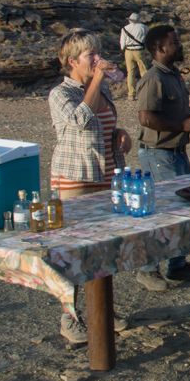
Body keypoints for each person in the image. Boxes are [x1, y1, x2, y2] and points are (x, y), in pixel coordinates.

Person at [48, 29, 133, 343]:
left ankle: (103, 311)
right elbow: (80, 122)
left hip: (106, 176)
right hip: (76, 179)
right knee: (73, 250)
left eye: (99, 54)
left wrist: (119, 132)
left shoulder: (103, 89)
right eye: (90, 56)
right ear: (72, 61)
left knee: (103, 248)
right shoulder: (61, 94)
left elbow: (100, 125)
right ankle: (69, 317)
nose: (98, 60)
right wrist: (97, 79)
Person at [133, 24, 190, 291]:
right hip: (158, 155)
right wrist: (183, 126)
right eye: (175, 42)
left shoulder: (172, 75)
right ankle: (147, 269)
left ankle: (177, 265)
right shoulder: (154, 78)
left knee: (179, 211)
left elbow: (173, 113)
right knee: (163, 213)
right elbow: (147, 118)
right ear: (161, 48)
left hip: (175, 153)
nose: (180, 46)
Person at [120, 11, 149, 100]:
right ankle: (146, 92)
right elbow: (146, 39)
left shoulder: (125, 28)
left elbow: (122, 42)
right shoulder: (143, 27)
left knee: (131, 73)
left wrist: (123, 48)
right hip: (139, 50)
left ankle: (131, 94)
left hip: (128, 51)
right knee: (144, 71)